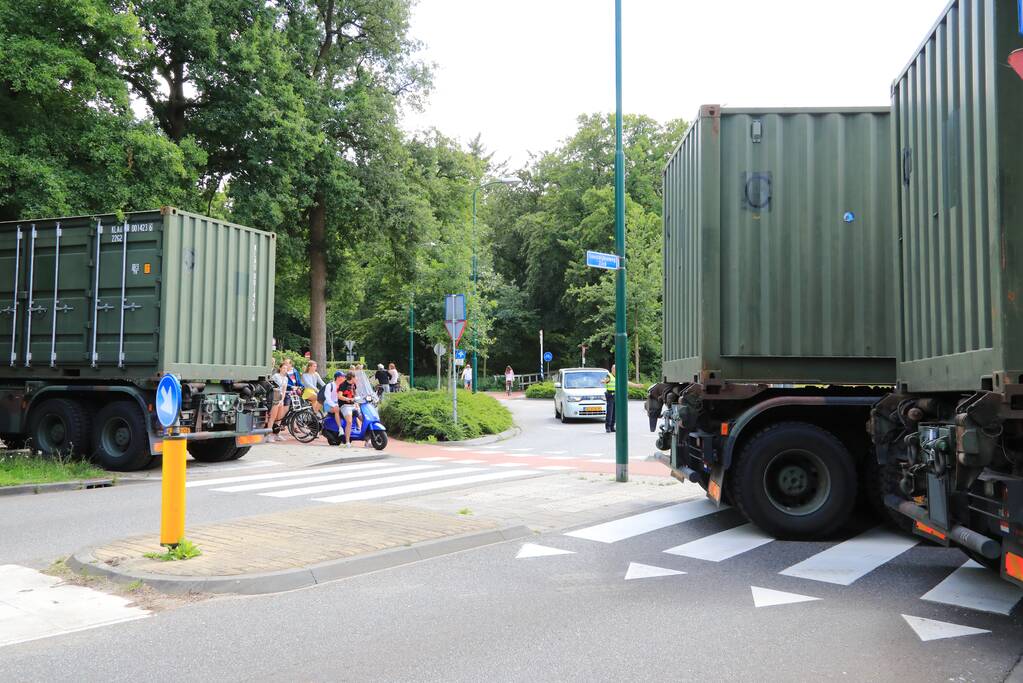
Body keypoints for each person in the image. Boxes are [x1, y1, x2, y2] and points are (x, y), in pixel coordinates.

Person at [267, 361, 289, 441]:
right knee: (273, 417)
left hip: (280, 399)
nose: (285, 369)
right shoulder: (276, 376)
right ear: (280, 368)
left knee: (279, 418)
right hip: (275, 397)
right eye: (283, 368)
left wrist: (282, 400)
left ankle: (277, 433)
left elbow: (284, 390)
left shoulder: (286, 378)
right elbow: (272, 387)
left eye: (286, 368)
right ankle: (268, 435)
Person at [322, 370, 345, 444]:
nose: (344, 378)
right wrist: (334, 405)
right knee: (336, 410)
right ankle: (340, 428)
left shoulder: (342, 386)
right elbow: (327, 398)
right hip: (328, 405)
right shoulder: (330, 385)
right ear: (338, 377)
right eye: (342, 376)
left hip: (338, 404)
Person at [602, 364, 617, 433]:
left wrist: (636, 386)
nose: (615, 370)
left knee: (614, 412)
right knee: (610, 412)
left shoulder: (618, 376)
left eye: (616, 369)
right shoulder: (609, 375)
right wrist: (604, 381)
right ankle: (608, 427)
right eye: (614, 369)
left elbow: (626, 382)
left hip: (616, 395)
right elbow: (606, 380)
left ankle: (612, 426)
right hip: (610, 395)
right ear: (612, 369)